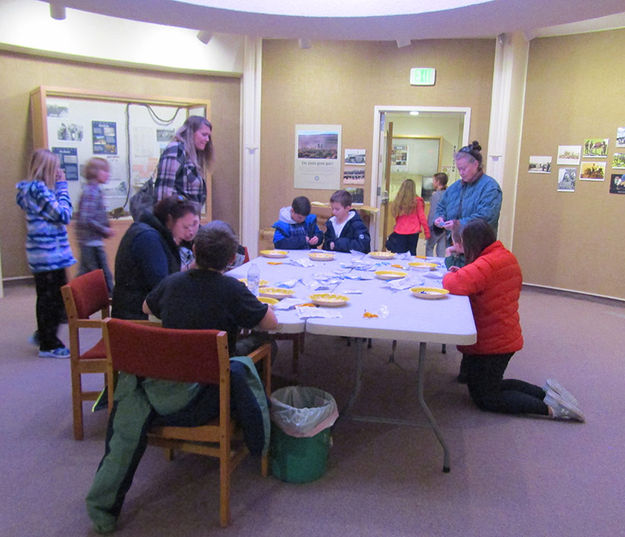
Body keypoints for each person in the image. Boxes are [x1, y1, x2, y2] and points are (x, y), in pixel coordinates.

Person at [86, 221, 278, 534]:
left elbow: (148, 308)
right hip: (201, 403)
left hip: (156, 389)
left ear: (194, 251)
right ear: (231, 259)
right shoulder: (232, 289)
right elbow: (270, 322)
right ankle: (260, 442)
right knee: (255, 353)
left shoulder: (172, 282)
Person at [442, 219, 584, 422]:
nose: (459, 248)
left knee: (486, 398)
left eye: (462, 244)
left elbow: (453, 283)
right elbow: (476, 280)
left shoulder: (487, 263)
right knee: (490, 383)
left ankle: (552, 409)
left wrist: (450, 263)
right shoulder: (501, 255)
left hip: (494, 343)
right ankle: (546, 393)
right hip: (503, 334)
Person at [16, 149, 76, 358]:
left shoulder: (36, 191)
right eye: (55, 168)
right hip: (47, 255)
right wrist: (62, 186)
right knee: (50, 299)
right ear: (47, 169)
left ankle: (43, 333)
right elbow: (64, 214)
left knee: (52, 297)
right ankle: (49, 344)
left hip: (48, 254)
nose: (59, 171)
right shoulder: (38, 191)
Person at [111, 195, 200, 320]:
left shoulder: (156, 232)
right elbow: (161, 286)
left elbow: (167, 276)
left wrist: (194, 266)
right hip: (136, 318)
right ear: (169, 221)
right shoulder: (148, 238)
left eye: (195, 224)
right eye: (185, 227)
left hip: (144, 309)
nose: (191, 231)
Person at [434, 141, 502, 236]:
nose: (461, 173)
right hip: (456, 243)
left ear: (476, 164)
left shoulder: (490, 187)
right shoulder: (454, 187)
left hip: (478, 244)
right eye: (459, 169)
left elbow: (485, 217)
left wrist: (458, 224)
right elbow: (441, 206)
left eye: (464, 168)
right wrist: (439, 217)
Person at [153, 115, 213, 206]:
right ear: (190, 133)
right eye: (204, 134)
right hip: (174, 217)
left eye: (208, 136)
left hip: (188, 217)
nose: (207, 139)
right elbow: (163, 193)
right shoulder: (176, 150)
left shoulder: (192, 156)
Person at [75, 157, 114, 294]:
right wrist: (104, 230)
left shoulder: (95, 190)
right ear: (95, 172)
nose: (108, 174)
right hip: (90, 242)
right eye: (105, 171)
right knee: (103, 276)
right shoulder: (91, 192)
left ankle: (69, 302)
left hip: (92, 241)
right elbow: (87, 218)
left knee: (86, 272)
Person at [385, 178, 430, 256]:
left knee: (399, 254)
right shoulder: (417, 201)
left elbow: (396, 215)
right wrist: (427, 232)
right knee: (412, 253)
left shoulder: (398, 201)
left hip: (400, 231)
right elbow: (422, 217)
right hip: (413, 231)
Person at [425, 172, 448, 257]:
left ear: (438, 182)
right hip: (445, 224)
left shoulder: (435, 195)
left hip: (435, 224)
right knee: (441, 249)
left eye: (434, 180)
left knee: (429, 247)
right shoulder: (448, 193)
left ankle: (428, 264)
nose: (433, 182)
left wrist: (429, 225)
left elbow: (433, 212)